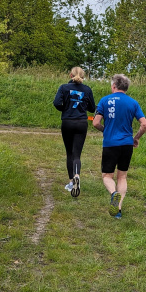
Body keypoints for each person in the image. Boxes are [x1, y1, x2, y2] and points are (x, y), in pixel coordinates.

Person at [92, 74, 146, 219]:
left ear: (113, 86)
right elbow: (144, 124)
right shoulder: (133, 103)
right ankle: (119, 210)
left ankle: (113, 194)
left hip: (110, 143)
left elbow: (95, 123)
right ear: (126, 88)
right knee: (122, 176)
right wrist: (136, 138)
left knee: (107, 176)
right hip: (127, 144)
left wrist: (106, 130)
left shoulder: (104, 100)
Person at [53, 67, 96, 197]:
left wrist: (65, 109)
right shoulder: (87, 89)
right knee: (77, 154)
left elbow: (56, 103)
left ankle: (71, 181)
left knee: (69, 153)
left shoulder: (64, 87)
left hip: (67, 122)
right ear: (83, 76)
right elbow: (92, 108)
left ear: (70, 75)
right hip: (81, 123)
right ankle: (77, 175)